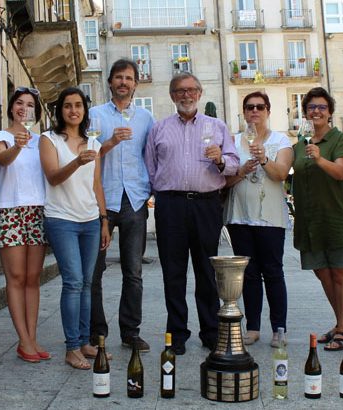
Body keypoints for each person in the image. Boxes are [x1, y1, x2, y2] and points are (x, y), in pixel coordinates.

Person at [144, 72, 239, 355]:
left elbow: (234, 163)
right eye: (179, 91)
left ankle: (210, 331)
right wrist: (159, 194)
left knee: (207, 271)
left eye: (191, 90)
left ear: (200, 93)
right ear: (172, 96)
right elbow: (150, 167)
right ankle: (177, 333)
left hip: (206, 204)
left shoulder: (217, 126)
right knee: (173, 272)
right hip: (170, 205)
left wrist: (220, 159)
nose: (186, 95)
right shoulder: (159, 129)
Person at [40, 87, 111, 370]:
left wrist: (104, 220)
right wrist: (75, 161)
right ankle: (71, 347)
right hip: (61, 219)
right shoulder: (49, 139)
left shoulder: (93, 142)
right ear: (60, 111)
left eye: (78, 105)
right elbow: (54, 177)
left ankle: (84, 342)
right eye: (68, 106)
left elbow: (96, 185)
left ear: (85, 110)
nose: (73, 111)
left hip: (90, 221)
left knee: (87, 283)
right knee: (72, 282)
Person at [89, 59, 154, 352]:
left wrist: (151, 189)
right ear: (110, 82)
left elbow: (151, 157)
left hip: (135, 199)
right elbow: (88, 156)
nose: (123, 82)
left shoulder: (146, 118)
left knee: (134, 271)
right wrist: (110, 143)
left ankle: (130, 331)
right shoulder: (95, 116)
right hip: (102, 197)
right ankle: (96, 332)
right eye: (118, 77)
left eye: (128, 78)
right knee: (95, 270)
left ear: (136, 84)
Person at [292, 87, 343, 351]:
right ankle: (342, 322)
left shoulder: (338, 139)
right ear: (306, 112)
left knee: (340, 272)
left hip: (336, 216)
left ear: (330, 112)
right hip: (309, 219)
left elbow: (340, 172)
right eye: (311, 107)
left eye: (321, 107)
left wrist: (319, 159)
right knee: (322, 272)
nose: (316, 111)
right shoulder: (300, 143)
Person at [224, 92, 292, 347]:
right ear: (243, 112)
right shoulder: (233, 140)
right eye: (249, 107)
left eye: (260, 107)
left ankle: (279, 328)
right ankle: (252, 327)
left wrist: (263, 158)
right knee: (249, 274)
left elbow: (281, 174)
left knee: (273, 272)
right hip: (240, 215)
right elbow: (225, 180)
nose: (255, 111)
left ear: (268, 110)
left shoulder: (281, 140)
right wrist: (242, 171)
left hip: (270, 217)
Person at [0, 87, 49, 363]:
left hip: (37, 210)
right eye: (20, 104)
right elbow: (3, 160)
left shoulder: (42, 141)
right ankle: (23, 341)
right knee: (16, 278)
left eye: (30, 105)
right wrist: (18, 145)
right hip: (10, 210)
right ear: (12, 108)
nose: (25, 108)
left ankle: (32, 338)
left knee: (33, 278)